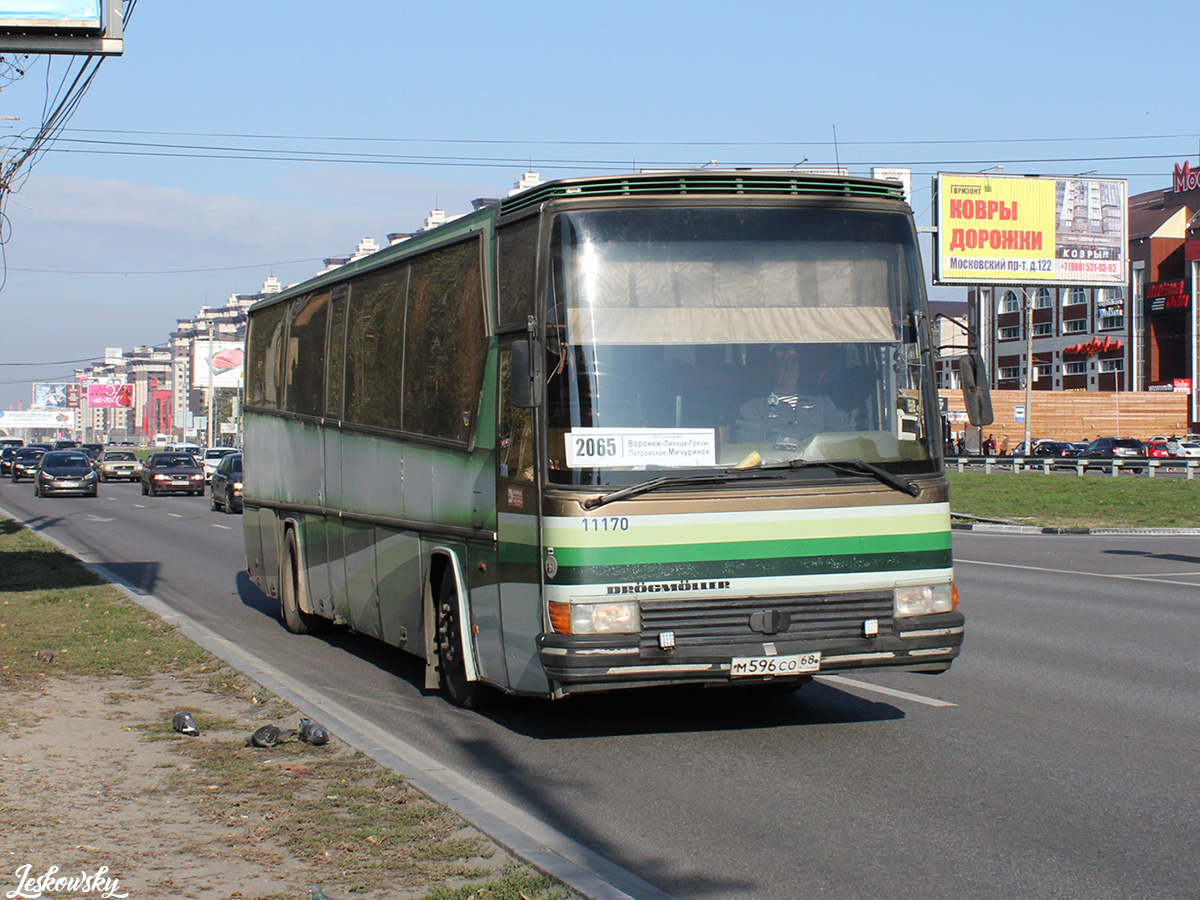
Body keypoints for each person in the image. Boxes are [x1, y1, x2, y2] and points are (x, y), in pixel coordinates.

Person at [734, 344, 849, 447]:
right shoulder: (754, 406)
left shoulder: (821, 401)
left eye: (793, 362)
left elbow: (842, 439)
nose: (789, 369)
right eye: (782, 363)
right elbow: (748, 448)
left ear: (799, 367)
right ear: (771, 367)